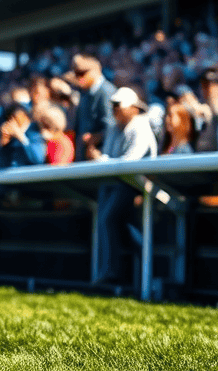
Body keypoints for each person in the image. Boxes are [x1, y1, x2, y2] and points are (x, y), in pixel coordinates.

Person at [86, 86, 157, 285]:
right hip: (120, 183)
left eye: (119, 105)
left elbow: (130, 161)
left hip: (134, 184)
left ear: (134, 107)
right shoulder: (115, 128)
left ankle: (111, 272)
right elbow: (113, 160)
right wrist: (100, 159)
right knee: (127, 227)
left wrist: (99, 159)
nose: (116, 109)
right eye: (114, 106)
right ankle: (148, 271)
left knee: (108, 219)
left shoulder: (141, 126)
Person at [71, 54, 117, 160]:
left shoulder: (106, 92)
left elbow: (111, 127)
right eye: (76, 74)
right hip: (85, 156)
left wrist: (94, 137)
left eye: (81, 73)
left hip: (101, 155)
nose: (78, 77)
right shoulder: (85, 92)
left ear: (96, 71)